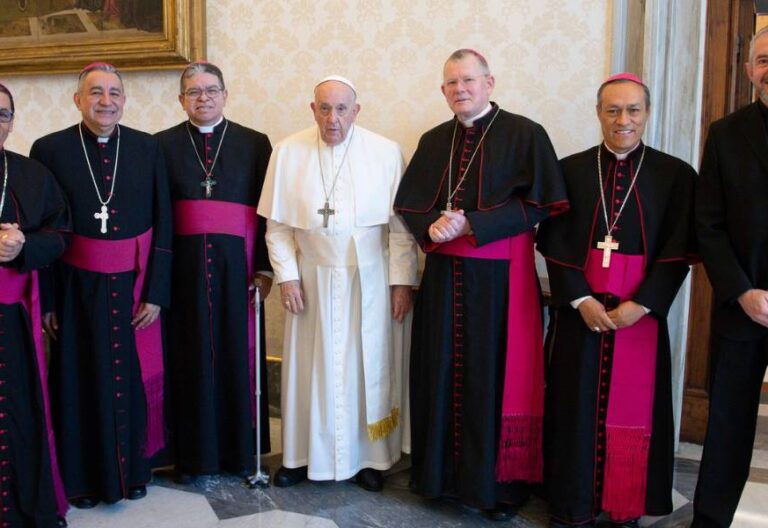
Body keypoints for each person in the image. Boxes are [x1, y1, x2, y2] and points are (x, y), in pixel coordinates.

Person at [393, 49, 568, 520]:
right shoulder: (434, 141)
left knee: (493, 377)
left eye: (468, 80)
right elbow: (409, 204)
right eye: (451, 83)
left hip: (501, 284)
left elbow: (543, 205)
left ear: (490, 83)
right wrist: (431, 227)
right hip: (444, 281)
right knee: (440, 372)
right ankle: (439, 480)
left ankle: (497, 490)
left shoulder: (525, 133)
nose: (460, 89)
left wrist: (475, 224)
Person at [537, 73, 696, 527]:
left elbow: (677, 249)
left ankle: (624, 503)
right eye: (612, 110)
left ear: (647, 113)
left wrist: (641, 305)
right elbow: (554, 242)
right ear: (598, 113)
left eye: (632, 110)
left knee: (635, 406)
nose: (622, 120)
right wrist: (581, 299)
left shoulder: (676, 175)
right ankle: (572, 503)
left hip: (639, 316)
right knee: (572, 405)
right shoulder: (569, 170)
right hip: (579, 312)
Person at [258, 75, 418, 492]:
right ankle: (300, 456)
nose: (333, 118)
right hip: (309, 279)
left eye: (342, 108)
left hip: (369, 278)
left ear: (356, 110)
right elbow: (276, 228)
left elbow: (401, 229)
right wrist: (288, 276)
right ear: (312, 109)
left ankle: (368, 458)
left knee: (366, 368)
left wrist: (402, 283)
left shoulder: (385, 152)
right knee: (308, 370)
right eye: (324, 108)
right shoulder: (288, 151)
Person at [30, 62, 172, 508]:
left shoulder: (147, 148)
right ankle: (80, 479)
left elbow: (164, 224)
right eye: (95, 93)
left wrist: (156, 292)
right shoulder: (49, 149)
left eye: (114, 93)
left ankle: (132, 472)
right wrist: (48, 300)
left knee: (130, 379)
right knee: (77, 380)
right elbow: (45, 227)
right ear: (78, 100)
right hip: (75, 288)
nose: (105, 101)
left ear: (125, 100)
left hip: (133, 289)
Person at [156, 62, 272, 482]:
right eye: (193, 92)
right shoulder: (161, 145)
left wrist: (263, 267)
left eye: (211, 90)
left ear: (225, 94)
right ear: (181, 99)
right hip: (183, 272)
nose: (202, 98)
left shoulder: (254, 143)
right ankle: (192, 458)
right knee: (187, 359)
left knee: (237, 356)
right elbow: (158, 215)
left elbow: (267, 213)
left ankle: (240, 453)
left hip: (236, 269)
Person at [692, 27, 768, 528]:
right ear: (748, 71)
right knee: (727, 427)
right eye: (763, 59)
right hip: (742, 304)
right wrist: (742, 290)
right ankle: (710, 522)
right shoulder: (726, 133)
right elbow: (708, 224)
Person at [0, 82, 70, 527]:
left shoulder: (30, 174)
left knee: (19, 413)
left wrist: (24, 243)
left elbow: (61, 236)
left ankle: (28, 506)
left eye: (3, 114)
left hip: (12, 319)